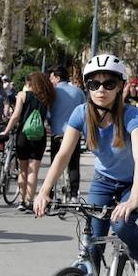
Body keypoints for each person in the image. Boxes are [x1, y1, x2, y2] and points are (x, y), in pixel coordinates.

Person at [36, 54, 138, 276]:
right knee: (91, 247)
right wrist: (44, 191)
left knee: (121, 223)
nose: (101, 90)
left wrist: (132, 200)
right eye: (94, 84)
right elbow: (63, 155)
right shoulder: (81, 113)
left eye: (109, 83)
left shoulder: (131, 115)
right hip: (104, 180)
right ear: (87, 86)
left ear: (120, 86)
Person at [0, 71, 55, 212]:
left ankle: (21, 200)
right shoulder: (46, 97)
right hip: (39, 136)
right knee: (33, 171)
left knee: (22, 170)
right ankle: (30, 201)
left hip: (23, 135)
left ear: (29, 82)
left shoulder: (22, 95)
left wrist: (6, 131)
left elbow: (16, 116)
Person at [48, 65, 85, 196]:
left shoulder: (52, 92)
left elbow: (48, 113)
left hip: (57, 133)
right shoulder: (78, 92)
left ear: (57, 78)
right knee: (74, 164)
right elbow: (85, 112)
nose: (50, 80)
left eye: (51, 78)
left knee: (55, 163)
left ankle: (50, 193)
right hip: (74, 134)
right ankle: (74, 194)